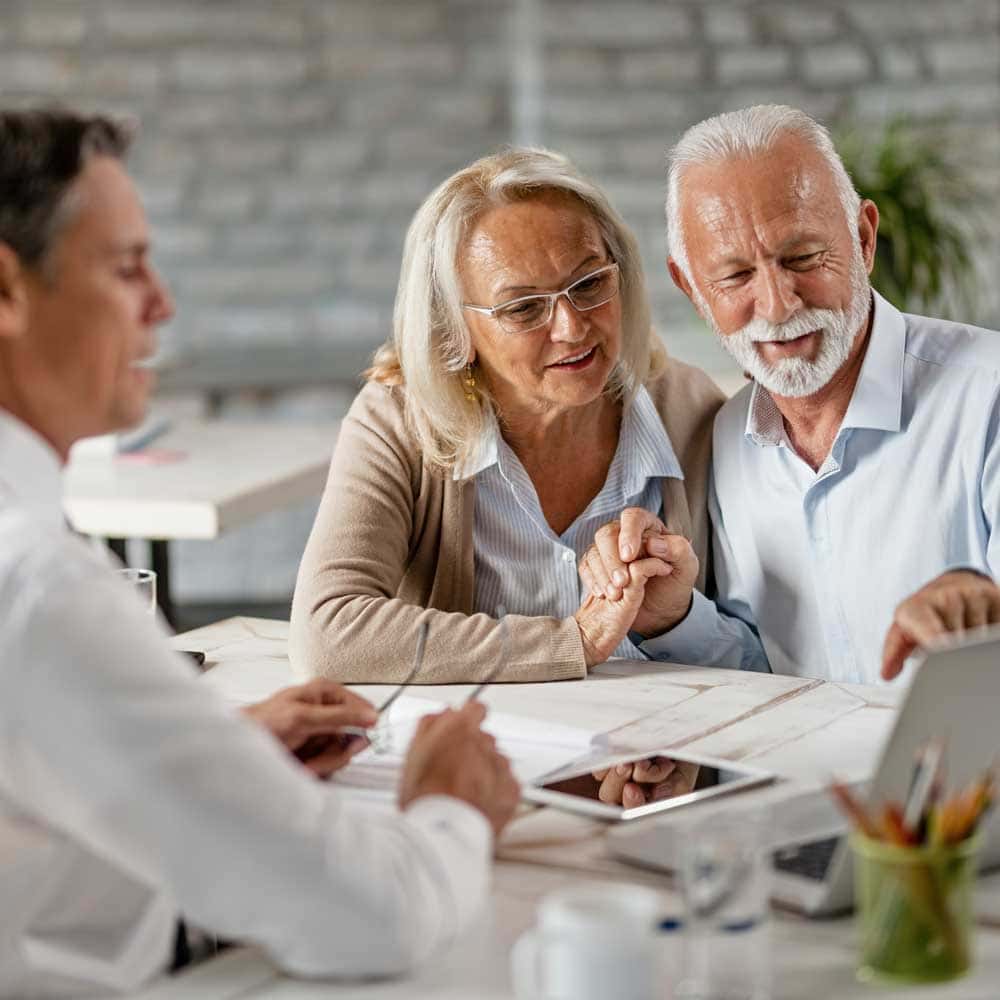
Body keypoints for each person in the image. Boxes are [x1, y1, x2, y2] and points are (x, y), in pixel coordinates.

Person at [0, 108, 519, 997]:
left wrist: (209, 758)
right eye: (127, 268)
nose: (162, 303)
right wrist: (451, 806)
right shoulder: (39, 585)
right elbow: (372, 915)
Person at [579, 104, 1000, 686]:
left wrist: (981, 607)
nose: (777, 306)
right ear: (692, 289)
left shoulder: (988, 393)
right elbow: (767, 672)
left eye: (802, 257)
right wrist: (673, 617)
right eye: (734, 277)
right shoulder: (729, 436)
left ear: (863, 238)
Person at [290, 147, 725, 686]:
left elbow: (760, 648)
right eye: (522, 308)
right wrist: (575, 641)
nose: (571, 328)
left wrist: (675, 620)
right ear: (455, 332)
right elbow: (328, 633)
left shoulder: (691, 408)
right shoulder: (399, 421)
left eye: (589, 284)